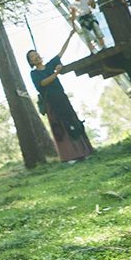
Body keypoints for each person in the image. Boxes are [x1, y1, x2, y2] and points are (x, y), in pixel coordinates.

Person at [27, 30, 93, 162]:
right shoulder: (34, 74)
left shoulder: (49, 65)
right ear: (31, 62)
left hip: (62, 98)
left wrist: (70, 35)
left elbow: (61, 52)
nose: (36, 57)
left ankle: (85, 151)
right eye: (32, 57)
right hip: (51, 103)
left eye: (36, 54)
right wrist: (56, 73)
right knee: (61, 127)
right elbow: (42, 83)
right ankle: (70, 156)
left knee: (73, 121)